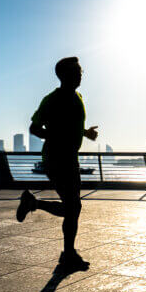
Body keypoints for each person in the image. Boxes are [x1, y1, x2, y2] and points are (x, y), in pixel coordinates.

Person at [16, 57, 98, 271]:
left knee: (73, 208)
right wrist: (54, 137)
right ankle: (68, 254)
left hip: (70, 158)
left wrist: (85, 132)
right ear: (64, 75)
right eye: (76, 71)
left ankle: (33, 204)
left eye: (81, 71)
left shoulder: (78, 97)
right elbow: (34, 128)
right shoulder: (52, 100)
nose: (81, 74)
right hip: (56, 158)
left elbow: (68, 126)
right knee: (73, 207)